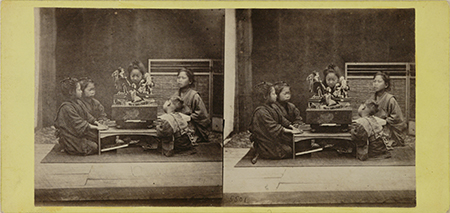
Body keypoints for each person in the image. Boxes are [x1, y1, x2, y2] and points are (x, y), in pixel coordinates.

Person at [54, 77, 108, 155]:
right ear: (71, 92)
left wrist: (97, 123)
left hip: (78, 133)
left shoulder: (78, 102)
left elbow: (87, 116)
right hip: (70, 136)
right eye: (79, 90)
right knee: (94, 146)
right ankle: (65, 146)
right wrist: (96, 127)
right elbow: (79, 123)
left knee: (103, 139)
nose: (81, 91)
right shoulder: (66, 107)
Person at [249, 82, 300, 163]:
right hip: (267, 143)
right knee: (290, 150)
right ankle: (261, 151)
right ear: (265, 96)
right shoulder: (261, 112)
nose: (276, 95)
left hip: (273, 138)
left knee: (298, 144)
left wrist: (291, 126)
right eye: (273, 94)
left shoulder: (272, 106)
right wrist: (291, 131)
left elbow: (281, 119)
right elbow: (273, 127)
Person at [175, 68, 211, 143]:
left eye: (183, 78)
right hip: (179, 124)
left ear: (190, 81)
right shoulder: (176, 94)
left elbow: (203, 115)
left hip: (192, 126)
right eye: (178, 77)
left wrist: (190, 117)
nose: (180, 80)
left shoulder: (194, 96)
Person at [371, 71, 407, 147]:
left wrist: (385, 121)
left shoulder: (390, 99)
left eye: (379, 81)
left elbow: (398, 118)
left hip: (388, 129)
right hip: (376, 127)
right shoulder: (372, 98)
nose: (376, 83)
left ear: (386, 85)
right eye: (374, 81)